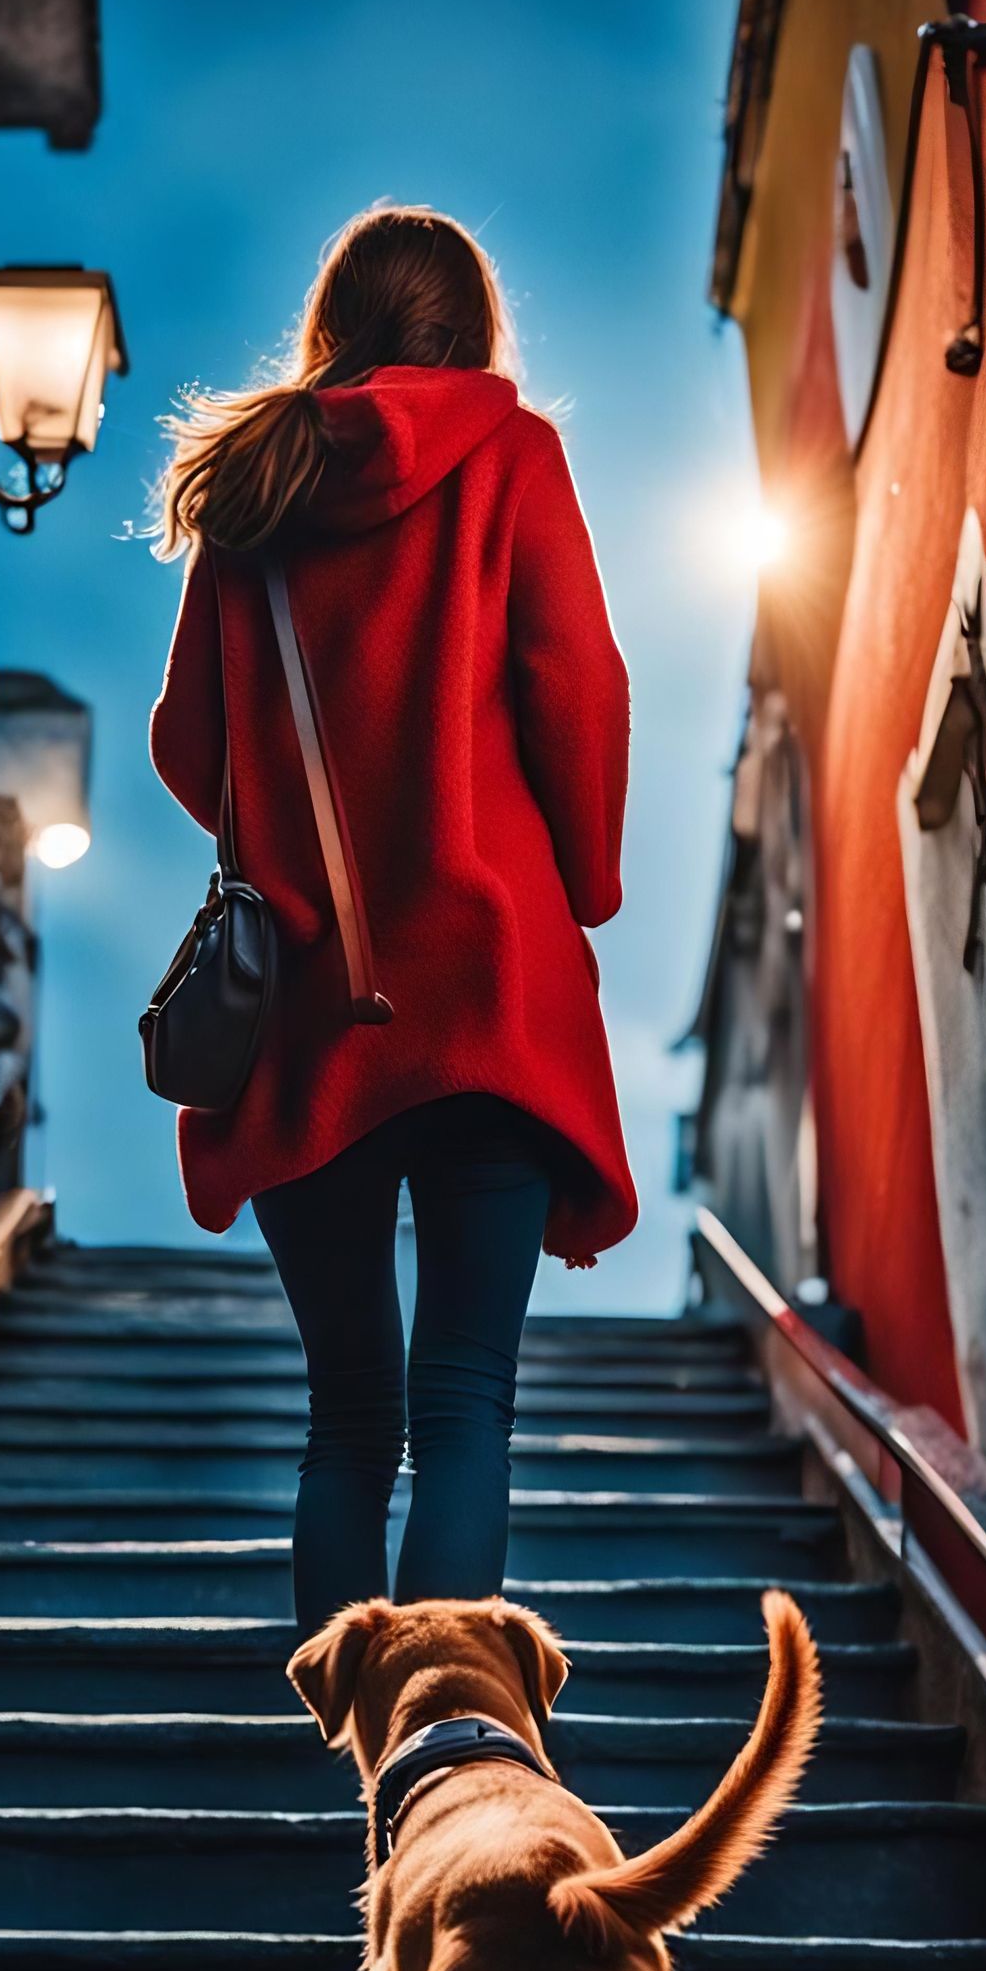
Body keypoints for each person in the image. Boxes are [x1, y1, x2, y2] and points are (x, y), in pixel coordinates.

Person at [149, 203, 635, 1636]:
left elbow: (192, 737)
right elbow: (580, 692)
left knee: (348, 1420)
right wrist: (583, 882)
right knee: (467, 1398)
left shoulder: (258, 489)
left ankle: (348, 1769)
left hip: (312, 1005)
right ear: (472, 326)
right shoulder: (516, 454)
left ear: (333, 322)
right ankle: (439, 1766)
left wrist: (303, 835)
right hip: (489, 992)